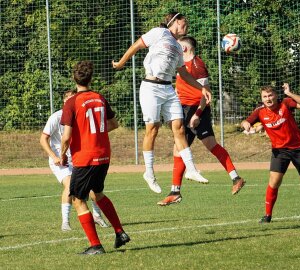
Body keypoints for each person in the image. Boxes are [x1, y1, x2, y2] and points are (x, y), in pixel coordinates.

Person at [112, 11, 211, 194]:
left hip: (168, 89)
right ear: (175, 21)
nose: (186, 26)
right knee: (153, 129)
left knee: (179, 128)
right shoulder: (160, 33)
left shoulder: (177, 46)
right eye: (184, 22)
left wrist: (201, 88)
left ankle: (191, 169)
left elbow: (184, 74)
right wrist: (121, 63)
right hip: (151, 87)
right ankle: (149, 173)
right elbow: (136, 45)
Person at [157, 36, 245, 206]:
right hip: (183, 110)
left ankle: (236, 178)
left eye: (178, 45)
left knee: (210, 145)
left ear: (184, 48)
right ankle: (175, 191)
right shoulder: (180, 64)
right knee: (179, 150)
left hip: (196, 110)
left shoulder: (197, 66)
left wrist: (198, 113)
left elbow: (206, 93)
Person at [60, 61, 130, 255]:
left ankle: (95, 245)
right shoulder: (100, 97)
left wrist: (62, 155)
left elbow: (66, 137)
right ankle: (119, 232)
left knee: (77, 198)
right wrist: (95, 132)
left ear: (74, 78)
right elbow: (114, 124)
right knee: (97, 193)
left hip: (85, 158)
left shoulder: (71, 102)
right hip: (103, 155)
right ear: (90, 78)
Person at [241, 83, 300, 223]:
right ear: (262, 98)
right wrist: (246, 124)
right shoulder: (260, 111)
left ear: (276, 96)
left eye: (270, 95)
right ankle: (267, 215)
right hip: (279, 151)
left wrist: (289, 93)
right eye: (265, 96)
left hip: (298, 147)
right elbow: (246, 121)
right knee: (274, 182)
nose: (268, 99)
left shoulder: (286, 103)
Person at [40, 90, 109, 231]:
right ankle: (65, 222)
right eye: (68, 101)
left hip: (79, 158)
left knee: (93, 188)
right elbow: (43, 139)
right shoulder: (56, 117)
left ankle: (97, 216)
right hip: (61, 161)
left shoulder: (80, 115)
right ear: (64, 103)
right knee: (70, 185)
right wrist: (54, 156)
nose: (71, 103)